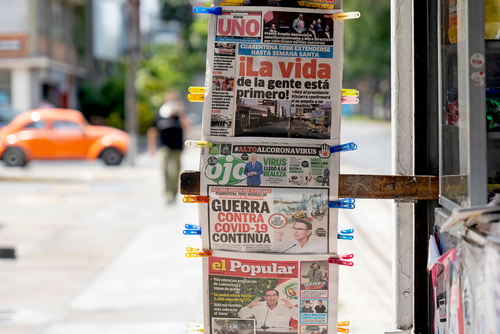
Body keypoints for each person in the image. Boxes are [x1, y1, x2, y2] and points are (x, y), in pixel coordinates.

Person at [147, 91, 191, 203]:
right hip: (164, 146)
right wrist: (151, 147)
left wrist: (181, 112)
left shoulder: (179, 116)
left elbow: (187, 126)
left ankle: (174, 192)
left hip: (177, 147)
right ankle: (167, 193)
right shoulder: (160, 115)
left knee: (176, 171)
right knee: (165, 169)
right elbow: (152, 130)